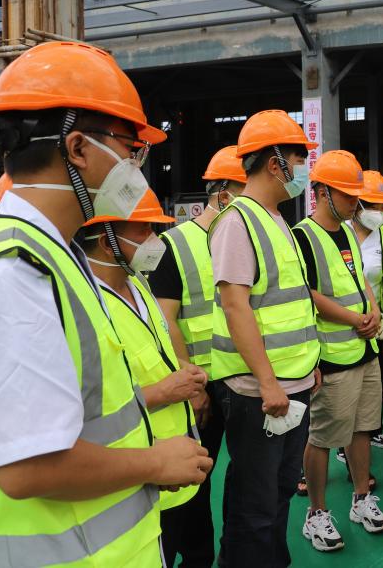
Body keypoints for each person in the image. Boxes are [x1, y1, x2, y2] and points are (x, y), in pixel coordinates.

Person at [0, 41, 210, 565]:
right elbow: (26, 468)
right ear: (77, 148)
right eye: (130, 148)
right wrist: (154, 462)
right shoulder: (14, 272)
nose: (136, 167)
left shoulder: (55, 255)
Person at [210, 109, 321, 566]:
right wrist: (270, 382)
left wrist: (309, 366)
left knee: (278, 492)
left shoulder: (275, 219)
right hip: (261, 393)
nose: (303, 169)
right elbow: (236, 307)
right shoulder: (238, 222)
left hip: (292, 386)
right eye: (299, 160)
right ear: (275, 164)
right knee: (254, 506)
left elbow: (290, 303)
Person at [81, 189, 207, 566]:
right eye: (144, 230)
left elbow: (152, 348)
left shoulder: (138, 283)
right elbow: (91, 411)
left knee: (198, 551)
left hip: (181, 460)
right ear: (107, 242)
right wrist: (164, 391)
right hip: (146, 472)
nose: (155, 240)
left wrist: (180, 368)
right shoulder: (89, 305)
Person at [153, 144, 247, 567]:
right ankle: (197, 558)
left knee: (246, 480)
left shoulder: (248, 239)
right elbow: (168, 319)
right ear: (224, 194)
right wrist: (193, 388)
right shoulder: (175, 244)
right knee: (196, 481)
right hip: (204, 388)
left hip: (241, 380)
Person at [294, 150, 383, 552]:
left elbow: (360, 280)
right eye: (348, 194)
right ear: (322, 193)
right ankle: (316, 513)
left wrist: (374, 310)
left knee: (362, 427)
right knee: (323, 436)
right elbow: (309, 294)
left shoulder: (348, 233)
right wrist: (354, 319)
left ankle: (360, 498)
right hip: (333, 355)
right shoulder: (303, 236)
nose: (355, 202)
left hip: (364, 347)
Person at [349, 170, 383, 449]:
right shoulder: (339, 233)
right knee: (349, 385)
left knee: (380, 380)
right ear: (357, 204)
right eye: (374, 206)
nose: (380, 213)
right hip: (344, 323)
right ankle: (345, 442)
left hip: (378, 324)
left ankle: (374, 429)